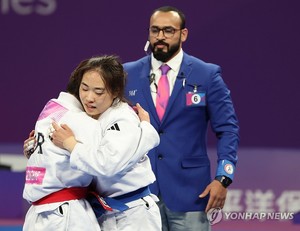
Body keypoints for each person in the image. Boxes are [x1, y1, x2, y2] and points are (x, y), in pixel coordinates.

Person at [123, 6, 240, 231]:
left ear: (183, 34)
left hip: (191, 194)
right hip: (139, 194)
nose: (160, 37)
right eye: (155, 30)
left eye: (168, 31)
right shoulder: (126, 75)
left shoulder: (206, 74)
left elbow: (228, 129)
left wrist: (223, 178)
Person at [23, 55, 161, 231]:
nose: (89, 97)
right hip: (104, 211)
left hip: (134, 213)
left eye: (98, 92)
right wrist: (40, 149)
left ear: (115, 91)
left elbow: (107, 163)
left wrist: (70, 144)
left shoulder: (122, 117)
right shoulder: (86, 118)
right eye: (85, 88)